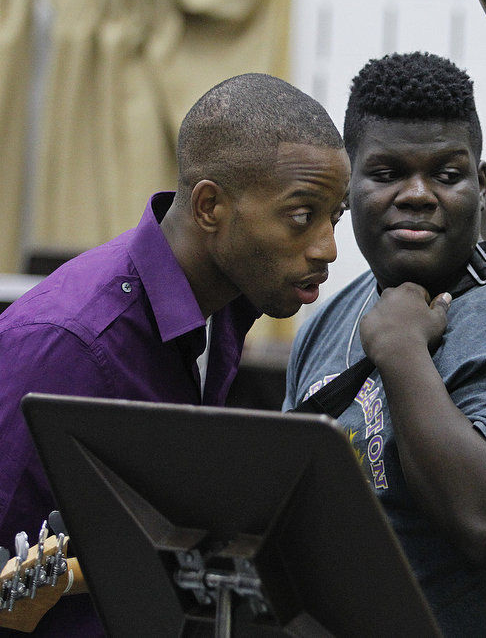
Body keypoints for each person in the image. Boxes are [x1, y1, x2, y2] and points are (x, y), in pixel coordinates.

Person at [0, 73, 349, 636]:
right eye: (302, 214)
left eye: (338, 216)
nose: (328, 247)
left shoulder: (224, 311)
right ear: (210, 206)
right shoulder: (66, 345)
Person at [283, 51, 486, 636]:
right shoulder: (330, 316)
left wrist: (403, 351)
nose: (417, 194)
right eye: (386, 174)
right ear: (348, 183)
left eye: (446, 174)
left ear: (479, 185)